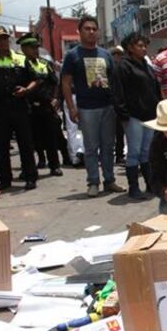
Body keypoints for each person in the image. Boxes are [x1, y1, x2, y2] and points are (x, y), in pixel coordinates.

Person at [61, 16, 123, 197]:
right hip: (87, 109)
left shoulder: (106, 55)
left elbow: (113, 80)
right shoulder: (73, 56)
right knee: (90, 148)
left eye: (94, 28)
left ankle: (109, 180)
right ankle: (93, 182)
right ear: (79, 32)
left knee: (108, 146)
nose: (91, 31)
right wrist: (72, 108)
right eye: (87, 28)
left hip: (107, 107)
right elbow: (65, 83)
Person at [0, 25, 38, 191]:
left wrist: (27, 89)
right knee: (2, 145)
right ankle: (5, 179)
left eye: (5, 39)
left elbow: (35, 79)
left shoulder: (21, 58)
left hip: (20, 106)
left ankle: (30, 177)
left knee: (26, 144)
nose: (2, 42)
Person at [111, 31, 161, 200]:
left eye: (145, 45)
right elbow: (118, 93)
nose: (144, 48)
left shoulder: (146, 66)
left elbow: (153, 89)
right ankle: (134, 187)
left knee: (146, 151)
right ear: (130, 48)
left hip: (149, 115)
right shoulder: (122, 66)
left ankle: (150, 184)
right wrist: (124, 115)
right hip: (133, 116)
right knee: (134, 152)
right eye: (140, 45)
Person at [18, 33, 63, 177]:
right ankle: (30, 169)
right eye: (32, 48)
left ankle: (54, 166)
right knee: (29, 140)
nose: (35, 51)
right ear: (23, 49)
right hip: (28, 106)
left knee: (50, 137)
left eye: (36, 48)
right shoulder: (19, 64)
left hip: (46, 105)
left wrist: (55, 98)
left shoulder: (44, 64)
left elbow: (55, 83)